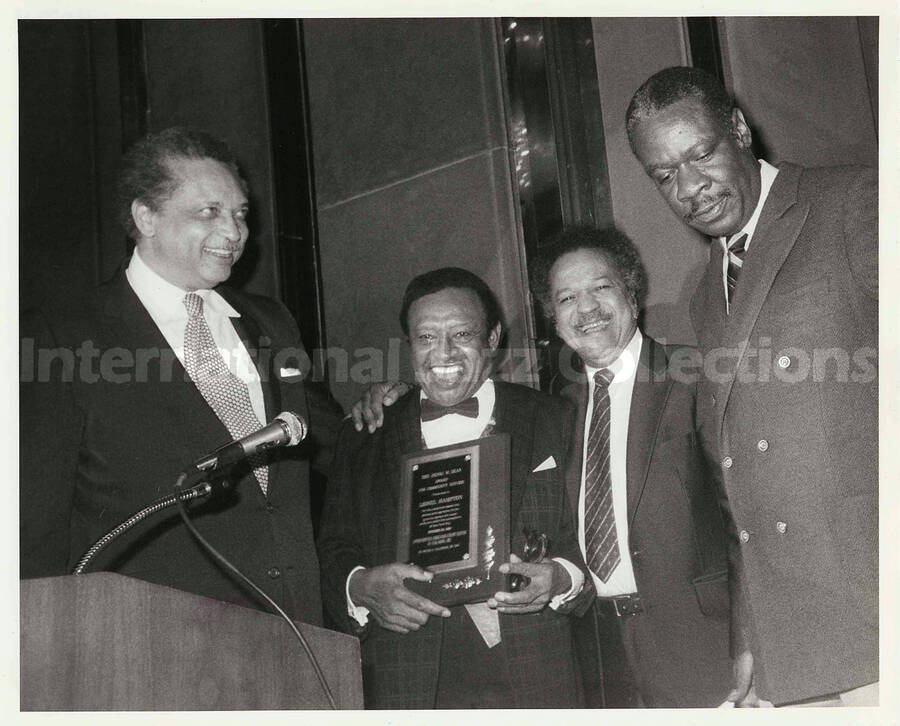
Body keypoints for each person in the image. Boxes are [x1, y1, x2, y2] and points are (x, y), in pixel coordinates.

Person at [349, 234, 733, 708]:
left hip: (704, 648)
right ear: (552, 314)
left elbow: (747, 519)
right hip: (597, 657)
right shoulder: (565, 401)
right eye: (567, 298)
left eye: (601, 288)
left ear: (632, 295)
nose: (585, 308)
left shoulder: (698, 375)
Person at [625, 66, 878, 706]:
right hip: (791, 635)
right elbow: (733, 477)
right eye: (663, 175)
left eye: (700, 154)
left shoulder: (855, 201)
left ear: (739, 128)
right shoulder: (704, 291)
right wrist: (750, 629)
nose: (689, 188)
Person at [20, 127, 342, 625]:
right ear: (146, 216)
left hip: (294, 633)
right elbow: (35, 521)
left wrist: (397, 408)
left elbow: (332, 445)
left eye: (240, 214)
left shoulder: (271, 322)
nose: (235, 233)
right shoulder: (62, 334)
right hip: (147, 644)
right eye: (209, 212)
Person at [316, 267, 593, 709]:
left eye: (462, 333)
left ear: (493, 338)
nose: (442, 353)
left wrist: (562, 576)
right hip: (407, 678)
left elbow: (595, 534)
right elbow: (333, 549)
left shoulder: (556, 417)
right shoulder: (366, 433)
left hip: (539, 669)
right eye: (426, 337)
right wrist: (360, 587)